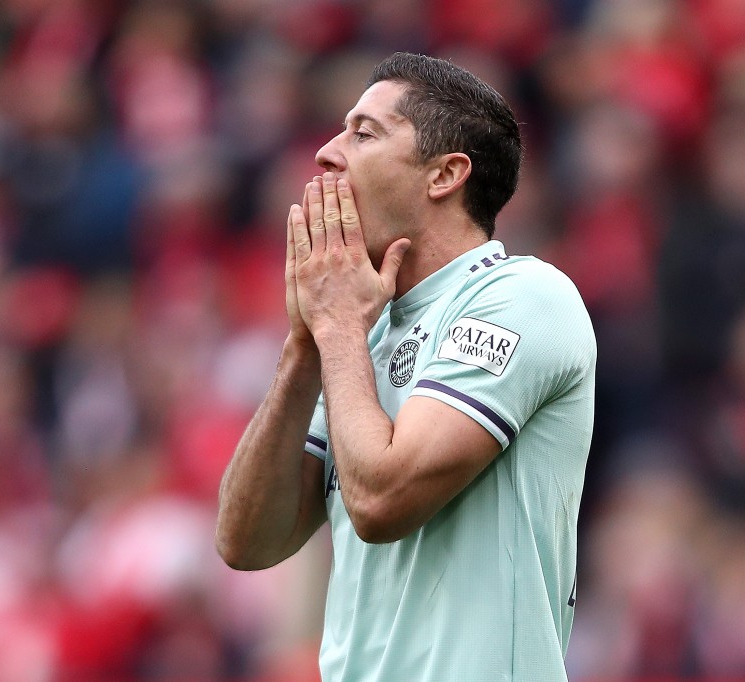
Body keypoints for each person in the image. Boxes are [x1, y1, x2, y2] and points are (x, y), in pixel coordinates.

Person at [215, 52, 596, 682]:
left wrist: (336, 329)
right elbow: (247, 542)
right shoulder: (357, 335)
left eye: (364, 134)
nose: (328, 154)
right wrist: (305, 346)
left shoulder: (522, 295)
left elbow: (381, 499)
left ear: (445, 174)